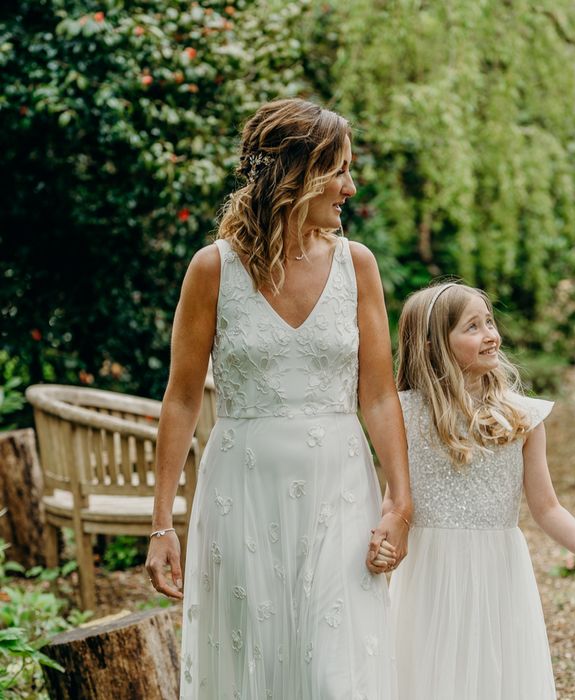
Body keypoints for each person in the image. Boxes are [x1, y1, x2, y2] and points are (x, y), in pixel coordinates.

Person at [145, 98, 412, 699]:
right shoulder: (213, 269)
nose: (350, 186)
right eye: (339, 169)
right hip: (242, 492)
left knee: (335, 667)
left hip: (339, 484)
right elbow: (182, 399)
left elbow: (378, 394)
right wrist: (162, 525)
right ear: (297, 173)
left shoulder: (357, 266)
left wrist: (400, 501)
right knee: (253, 665)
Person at [376, 282, 575, 699]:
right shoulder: (404, 414)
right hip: (429, 574)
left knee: (497, 676)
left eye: (489, 322)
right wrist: (382, 539)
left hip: (498, 572)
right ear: (434, 344)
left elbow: (546, 507)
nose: (491, 334)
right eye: (473, 327)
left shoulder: (522, 416)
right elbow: (393, 500)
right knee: (431, 677)